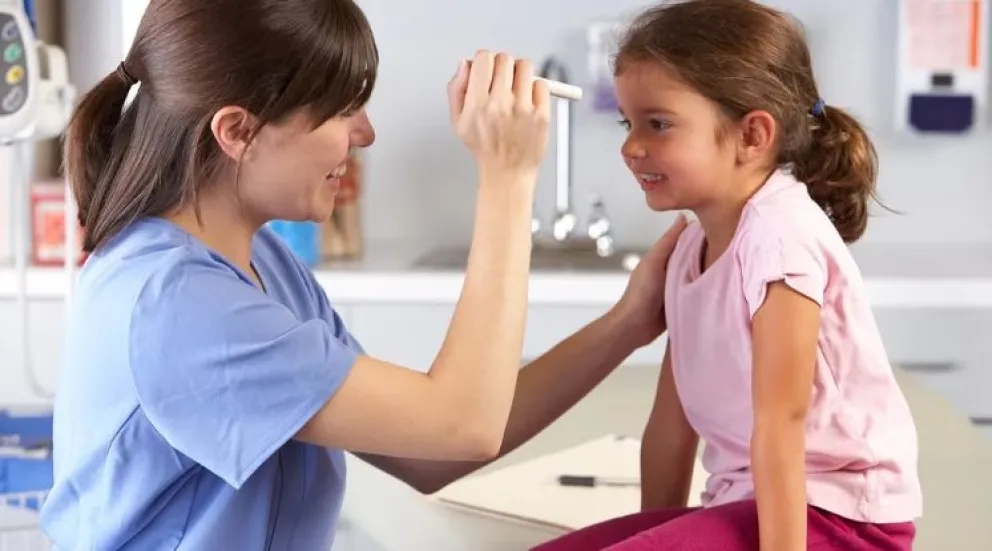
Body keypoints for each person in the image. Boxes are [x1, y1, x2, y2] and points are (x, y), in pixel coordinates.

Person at [38, 0, 688, 549]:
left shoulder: (262, 266)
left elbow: (434, 451)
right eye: (344, 109)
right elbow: (463, 423)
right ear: (238, 130)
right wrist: (508, 177)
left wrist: (628, 322)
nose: (365, 132)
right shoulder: (178, 303)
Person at [532, 1, 922, 550]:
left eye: (658, 123)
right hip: (755, 505)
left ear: (752, 135)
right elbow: (671, 426)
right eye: (629, 121)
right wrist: (658, 533)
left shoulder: (778, 238)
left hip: (838, 520)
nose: (631, 145)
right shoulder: (691, 247)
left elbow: (781, 426)